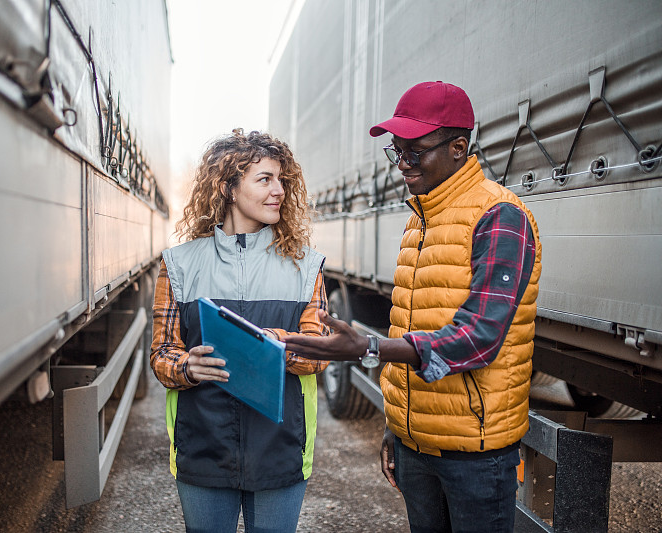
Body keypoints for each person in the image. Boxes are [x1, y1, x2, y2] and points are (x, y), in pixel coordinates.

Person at [283, 81, 542, 533]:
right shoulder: (416, 221)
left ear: (459, 147)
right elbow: (410, 323)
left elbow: (479, 338)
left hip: (475, 456)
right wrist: (396, 427)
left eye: (414, 152)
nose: (402, 164)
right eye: (396, 152)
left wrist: (368, 348)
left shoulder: (500, 217)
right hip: (415, 446)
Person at [150, 128, 329, 533]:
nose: (278, 191)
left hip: (280, 447)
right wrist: (187, 367)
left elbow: (320, 353)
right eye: (265, 179)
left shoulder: (306, 265)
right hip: (203, 445)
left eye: (282, 181)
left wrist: (276, 343)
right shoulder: (179, 264)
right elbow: (161, 354)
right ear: (228, 188)